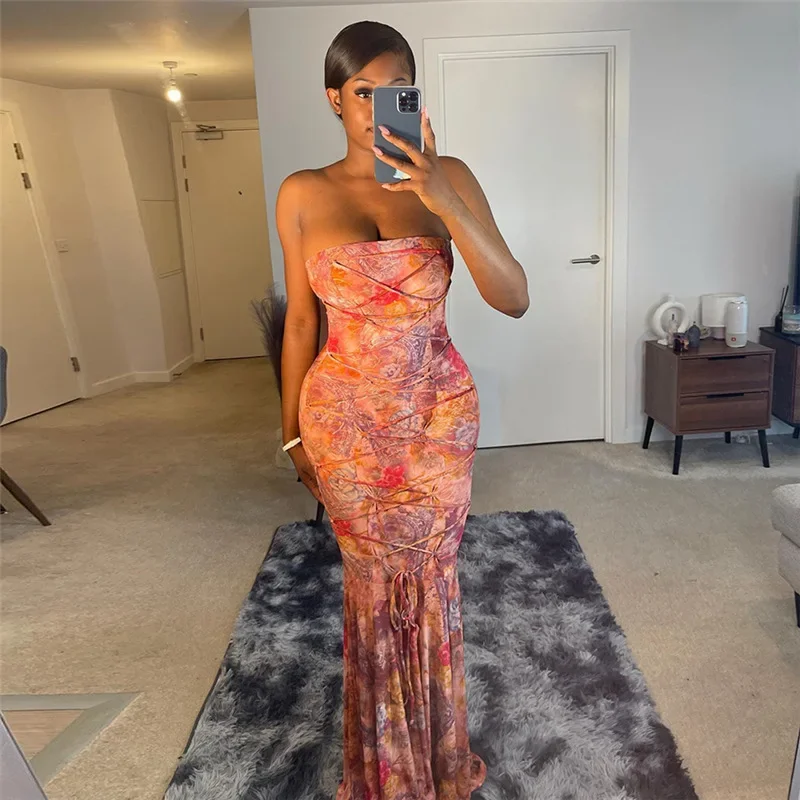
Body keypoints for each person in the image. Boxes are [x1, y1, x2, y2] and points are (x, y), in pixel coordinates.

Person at [277, 20, 528, 800]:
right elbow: (300, 323)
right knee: (371, 586)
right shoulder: (303, 193)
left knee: (432, 582)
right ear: (334, 99)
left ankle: (437, 757)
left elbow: (514, 296)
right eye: (362, 93)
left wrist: (442, 200)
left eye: (396, 91)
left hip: (435, 422)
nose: (377, 107)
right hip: (344, 426)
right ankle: (385, 765)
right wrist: (290, 437)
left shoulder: (448, 177)